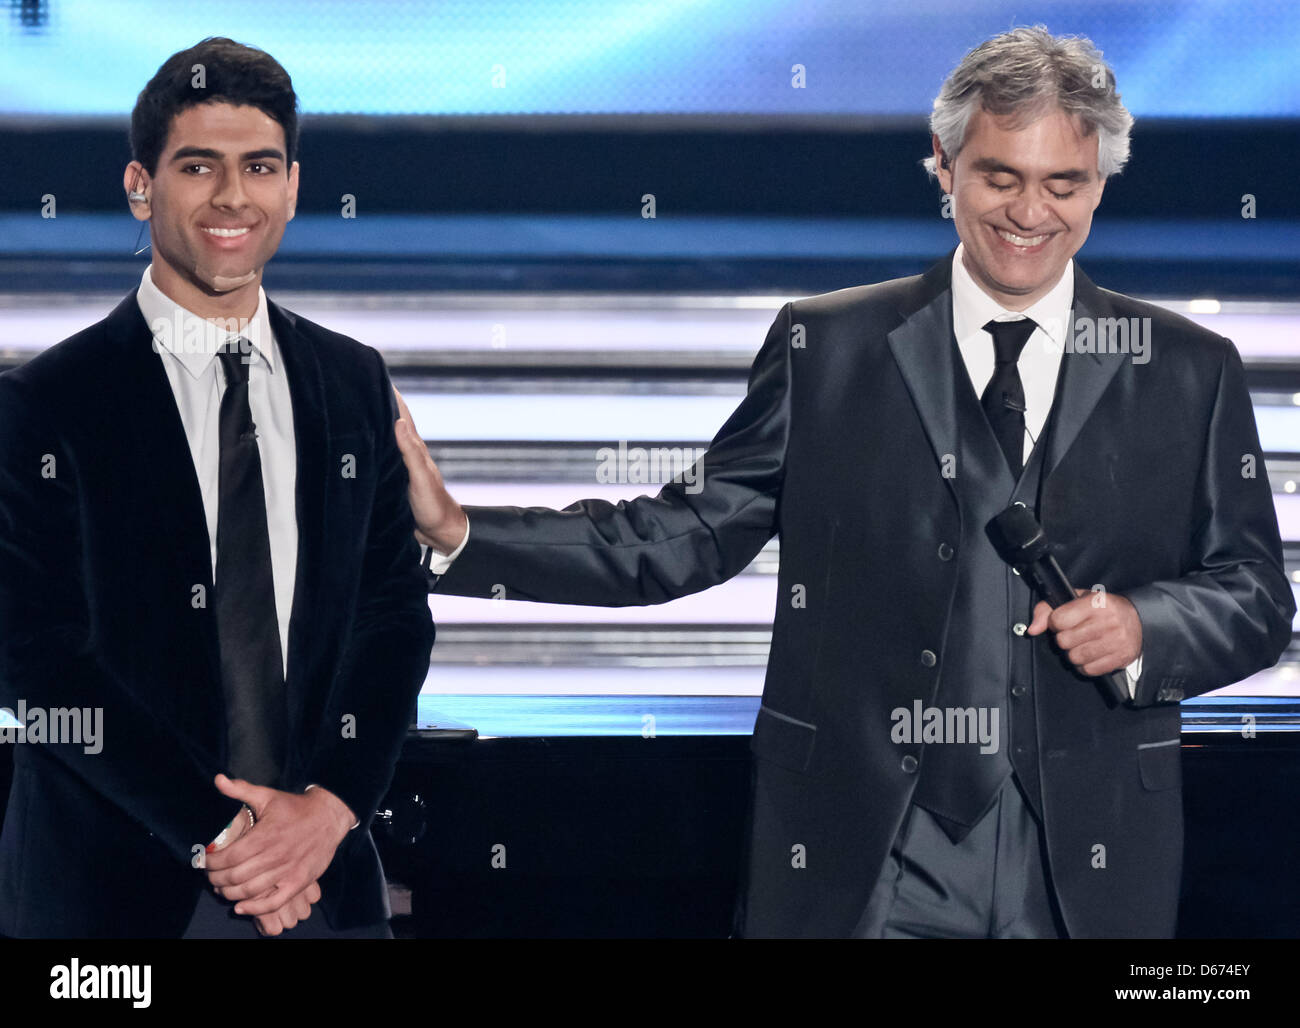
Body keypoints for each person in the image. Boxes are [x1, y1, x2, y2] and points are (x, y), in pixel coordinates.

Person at [393, 26, 1294, 938]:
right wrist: (463, 535)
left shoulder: (1187, 368)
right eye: (999, 177)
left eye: (1063, 184)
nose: (1030, 212)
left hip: (1087, 857)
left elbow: (1257, 596)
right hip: (865, 857)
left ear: (1100, 181)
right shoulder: (826, 347)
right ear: (942, 166)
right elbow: (684, 535)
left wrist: (1146, 625)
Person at [0, 37, 434, 938]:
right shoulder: (47, 402)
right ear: (140, 185)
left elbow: (393, 614)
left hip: (322, 886)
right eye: (199, 166)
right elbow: (37, 663)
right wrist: (228, 838)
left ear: (294, 188)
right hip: (116, 899)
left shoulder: (352, 381)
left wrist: (330, 810)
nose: (233, 196)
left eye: (259, 167)